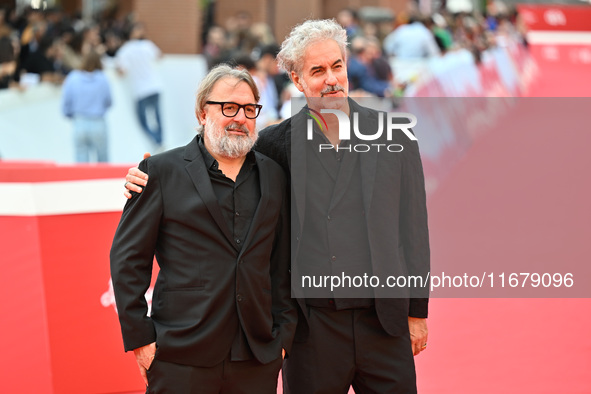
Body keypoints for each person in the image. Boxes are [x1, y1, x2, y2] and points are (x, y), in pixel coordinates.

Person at [125, 19, 430, 394]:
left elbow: (413, 230)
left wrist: (417, 311)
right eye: (317, 71)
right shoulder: (272, 145)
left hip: (384, 323)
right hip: (311, 330)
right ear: (297, 81)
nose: (331, 79)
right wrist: (145, 176)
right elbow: (214, 154)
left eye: (337, 65)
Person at [110, 64, 296, 393]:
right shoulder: (160, 172)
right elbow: (128, 259)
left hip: (257, 357)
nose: (240, 117)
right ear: (201, 112)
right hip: (180, 354)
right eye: (228, 107)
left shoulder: (275, 176)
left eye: (249, 108)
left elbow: (282, 262)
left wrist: (282, 336)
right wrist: (141, 339)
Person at [115, 22, 164, 150]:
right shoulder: (148, 45)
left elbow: (121, 70)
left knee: (143, 120)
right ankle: (159, 140)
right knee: (157, 116)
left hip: (140, 90)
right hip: (154, 86)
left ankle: (155, 140)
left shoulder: (125, 50)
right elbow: (159, 56)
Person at [61, 50, 112, 163]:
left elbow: (66, 102)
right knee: (103, 161)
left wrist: (70, 115)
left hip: (80, 122)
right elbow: (109, 101)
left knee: (81, 162)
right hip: (98, 122)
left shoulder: (73, 77)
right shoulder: (102, 78)